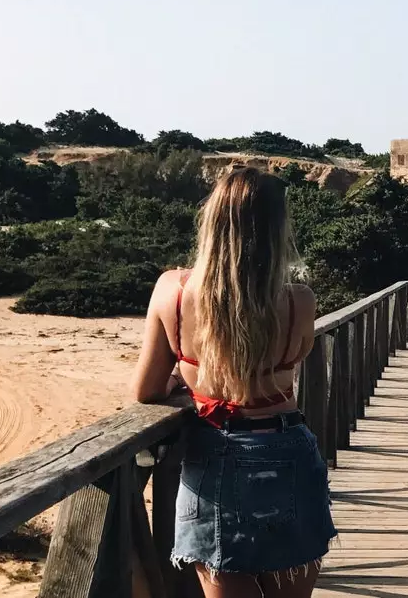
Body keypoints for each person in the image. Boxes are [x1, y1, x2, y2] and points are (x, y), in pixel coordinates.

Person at [130, 166, 334, 597]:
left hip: (216, 453)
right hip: (287, 450)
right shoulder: (299, 300)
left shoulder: (174, 290)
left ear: (212, 220)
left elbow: (145, 390)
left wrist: (177, 383)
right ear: (278, 229)